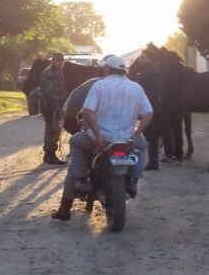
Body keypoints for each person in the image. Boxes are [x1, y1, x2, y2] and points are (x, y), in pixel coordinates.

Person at [51, 54, 153, 221]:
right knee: (142, 145)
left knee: (75, 149)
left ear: (105, 69)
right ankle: (133, 179)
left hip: (99, 138)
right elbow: (148, 113)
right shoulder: (135, 87)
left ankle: (67, 204)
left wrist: (90, 134)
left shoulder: (95, 85)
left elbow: (77, 111)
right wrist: (135, 135)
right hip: (126, 139)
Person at [136, 48, 163, 170]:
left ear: (151, 58)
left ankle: (152, 162)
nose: (141, 60)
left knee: (150, 135)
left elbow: (141, 90)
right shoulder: (157, 70)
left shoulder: (147, 71)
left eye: (143, 58)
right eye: (140, 58)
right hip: (156, 105)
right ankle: (153, 160)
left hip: (148, 106)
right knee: (152, 135)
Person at [39, 52, 67, 165]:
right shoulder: (49, 73)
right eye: (58, 60)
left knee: (54, 130)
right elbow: (50, 93)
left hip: (56, 107)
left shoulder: (58, 72)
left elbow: (61, 90)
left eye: (61, 61)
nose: (60, 63)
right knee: (52, 131)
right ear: (53, 61)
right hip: (50, 107)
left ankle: (50, 155)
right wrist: (57, 107)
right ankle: (50, 155)